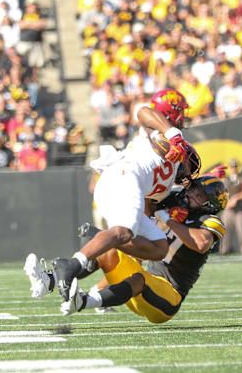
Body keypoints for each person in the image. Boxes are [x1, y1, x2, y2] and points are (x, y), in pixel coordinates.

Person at [29, 89, 199, 302]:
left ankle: (57, 274)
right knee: (123, 232)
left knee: (159, 246)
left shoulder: (167, 181)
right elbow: (143, 111)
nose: (188, 166)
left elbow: (149, 209)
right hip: (125, 177)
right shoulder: (163, 133)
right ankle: (72, 264)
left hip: (121, 183)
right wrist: (175, 135)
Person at [25, 175, 228, 322]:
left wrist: (169, 219)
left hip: (166, 299)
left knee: (140, 279)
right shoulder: (174, 201)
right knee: (110, 248)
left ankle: (84, 302)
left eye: (199, 195)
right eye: (193, 189)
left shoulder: (209, 220)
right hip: (140, 286)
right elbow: (147, 198)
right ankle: (49, 281)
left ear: (209, 204)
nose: (191, 193)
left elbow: (201, 243)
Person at [218, 159, 242, 255]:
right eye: (232, 166)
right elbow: (220, 192)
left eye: (235, 166)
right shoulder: (225, 179)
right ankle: (224, 250)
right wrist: (226, 202)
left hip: (239, 208)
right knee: (225, 230)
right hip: (227, 208)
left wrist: (236, 198)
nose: (233, 168)